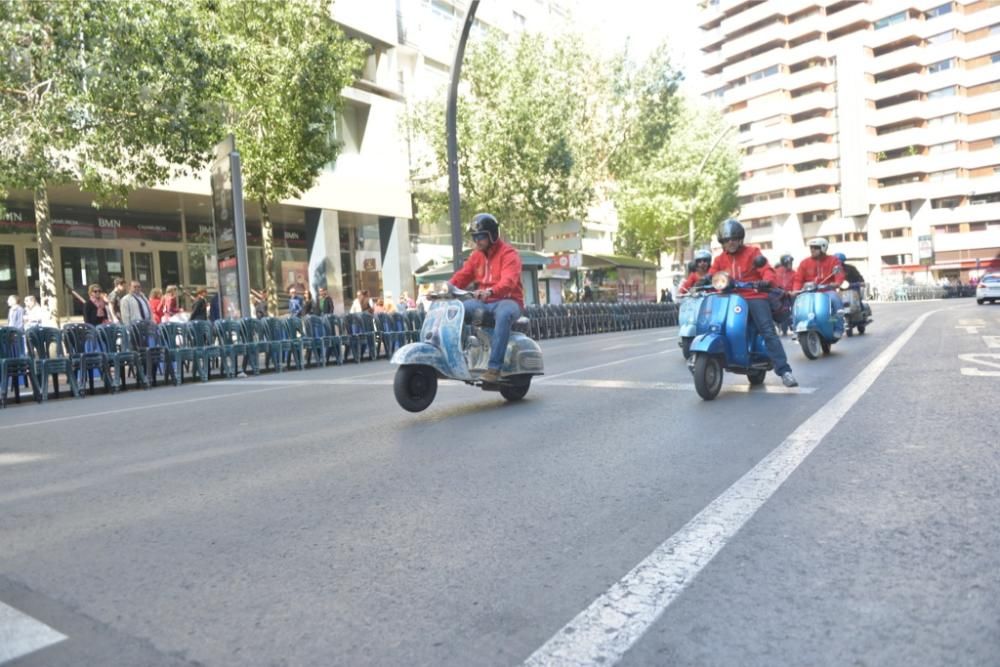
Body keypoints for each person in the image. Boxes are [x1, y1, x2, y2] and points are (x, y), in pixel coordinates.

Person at [708, 218, 797, 388]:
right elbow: (712, 274)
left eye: (734, 238)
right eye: (727, 240)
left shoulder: (753, 252)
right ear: (722, 242)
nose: (731, 242)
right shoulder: (720, 259)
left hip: (754, 296)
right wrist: (703, 280)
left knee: (767, 330)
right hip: (728, 298)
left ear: (740, 238)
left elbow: (767, 270)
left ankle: (785, 371)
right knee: (713, 325)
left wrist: (765, 281)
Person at [448, 213, 524, 383]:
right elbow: (464, 275)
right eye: (475, 237)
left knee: (504, 315)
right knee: (457, 310)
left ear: (492, 235)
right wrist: (447, 287)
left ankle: (494, 368)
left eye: (481, 237)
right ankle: (459, 356)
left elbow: (508, 281)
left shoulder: (509, 254)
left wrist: (490, 291)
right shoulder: (476, 256)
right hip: (484, 303)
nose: (477, 241)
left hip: (509, 301)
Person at [774, 254, 796, 337]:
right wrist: (779, 291)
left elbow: (797, 283)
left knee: (795, 305)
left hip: (790, 294)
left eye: (791, 262)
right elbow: (773, 282)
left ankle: (793, 324)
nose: (790, 264)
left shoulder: (794, 273)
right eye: (789, 262)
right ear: (784, 263)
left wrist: (793, 291)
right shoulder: (776, 271)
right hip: (778, 294)